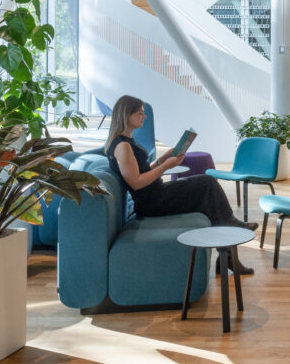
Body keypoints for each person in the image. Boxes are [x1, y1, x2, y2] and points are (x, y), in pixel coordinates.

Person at [102, 96, 258, 269]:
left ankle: (227, 252)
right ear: (126, 115)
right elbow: (137, 183)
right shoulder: (122, 146)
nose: (144, 117)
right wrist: (165, 167)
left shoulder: (126, 142)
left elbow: (141, 172)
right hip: (152, 202)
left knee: (208, 193)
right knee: (207, 183)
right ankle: (229, 236)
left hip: (155, 194)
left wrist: (163, 160)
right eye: (140, 113)